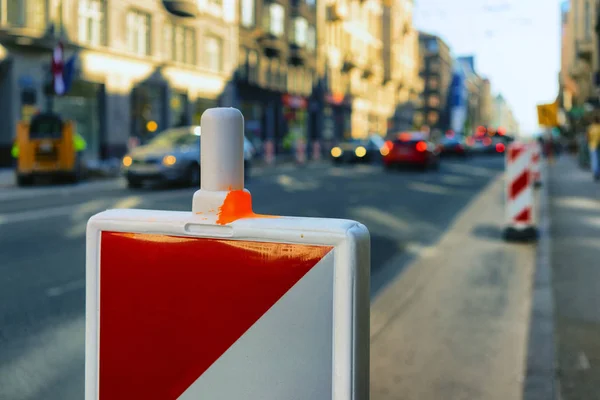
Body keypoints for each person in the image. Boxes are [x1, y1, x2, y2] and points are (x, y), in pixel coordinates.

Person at [586, 115, 600, 180]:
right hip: (598, 146)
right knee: (598, 160)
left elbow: (587, 137)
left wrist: (589, 142)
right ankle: (597, 173)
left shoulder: (590, 128)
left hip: (592, 146)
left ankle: (595, 173)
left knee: (594, 160)